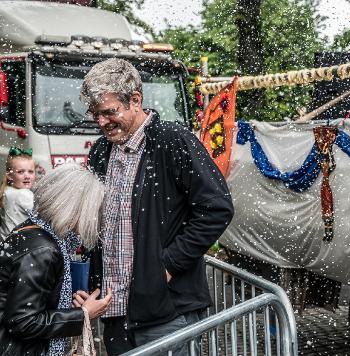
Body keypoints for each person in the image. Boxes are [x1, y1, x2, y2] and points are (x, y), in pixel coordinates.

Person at [78, 58, 234, 355]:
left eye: (109, 112)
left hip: (168, 312)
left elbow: (217, 209)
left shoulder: (174, 141)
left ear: (135, 100)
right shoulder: (100, 151)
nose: (101, 123)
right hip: (115, 313)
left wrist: (169, 265)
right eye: (95, 114)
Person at [0, 163, 112, 355]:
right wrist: (83, 315)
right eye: (91, 210)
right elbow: (22, 322)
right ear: (74, 208)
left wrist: (67, 306)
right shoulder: (44, 250)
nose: (93, 218)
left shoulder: (34, 231)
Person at [0, 147, 36, 240]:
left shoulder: (6, 191)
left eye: (30, 172)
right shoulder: (23, 194)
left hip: (6, 244)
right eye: (21, 172)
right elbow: (43, 217)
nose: (27, 176)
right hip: (21, 246)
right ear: (10, 175)